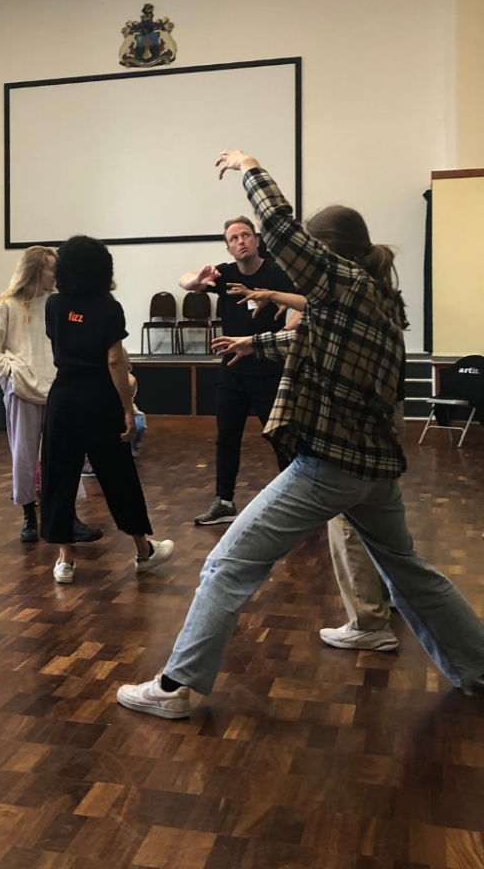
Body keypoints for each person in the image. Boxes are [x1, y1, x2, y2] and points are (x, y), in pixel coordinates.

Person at [117, 150, 484, 721]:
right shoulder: (373, 295)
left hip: (332, 464)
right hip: (375, 466)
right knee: (410, 569)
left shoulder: (343, 281)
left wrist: (249, 167)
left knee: (226, 564)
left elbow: (281, 228)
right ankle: (478, 663)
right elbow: (310, 336)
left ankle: (175, 686)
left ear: (327, 252)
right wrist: (252, 344)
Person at [229, 283, 403, 654]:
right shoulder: (372, 292)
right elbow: (310, 322)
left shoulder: (348, 296)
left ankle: (369, 622)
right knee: (381, 527)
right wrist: (272, 304)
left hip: (353, 428)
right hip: (378, 423)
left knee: (347, 523)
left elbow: (308, 334)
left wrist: (258, 331)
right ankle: (386, 598)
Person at [40, 236, 173, 584]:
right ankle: (143, 550)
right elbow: (115, 360)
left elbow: (61, 340)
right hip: (98, 396)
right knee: (118, 473)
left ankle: (65, 560)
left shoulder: (54, 305)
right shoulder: (108, 307)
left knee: (59, 475)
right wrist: (128, 410)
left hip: (63, 395)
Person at [0, 246, 101, 545]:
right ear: (34, 271)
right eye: (50, 268)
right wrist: (9, 371)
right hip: (23, 390)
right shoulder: (8, 306)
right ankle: (29, 516)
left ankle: (66, 517)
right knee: (25, 456)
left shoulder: (59, 304)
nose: (56, 274)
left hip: (59, 388)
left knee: (64, 457)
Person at [179, 215, 298, 527]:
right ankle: (224, 501)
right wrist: (196, 280)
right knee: (226, 438)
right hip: (232, 372)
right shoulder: (226, 274)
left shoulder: (275, 271)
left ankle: (296, 501)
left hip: (269, 371)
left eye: (245, 235)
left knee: (281, 438)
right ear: (229, 248)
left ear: (257, 241)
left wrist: (287, 330)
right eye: (234, 238)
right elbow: (186, 281)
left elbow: (303, 303)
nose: (241, 241)